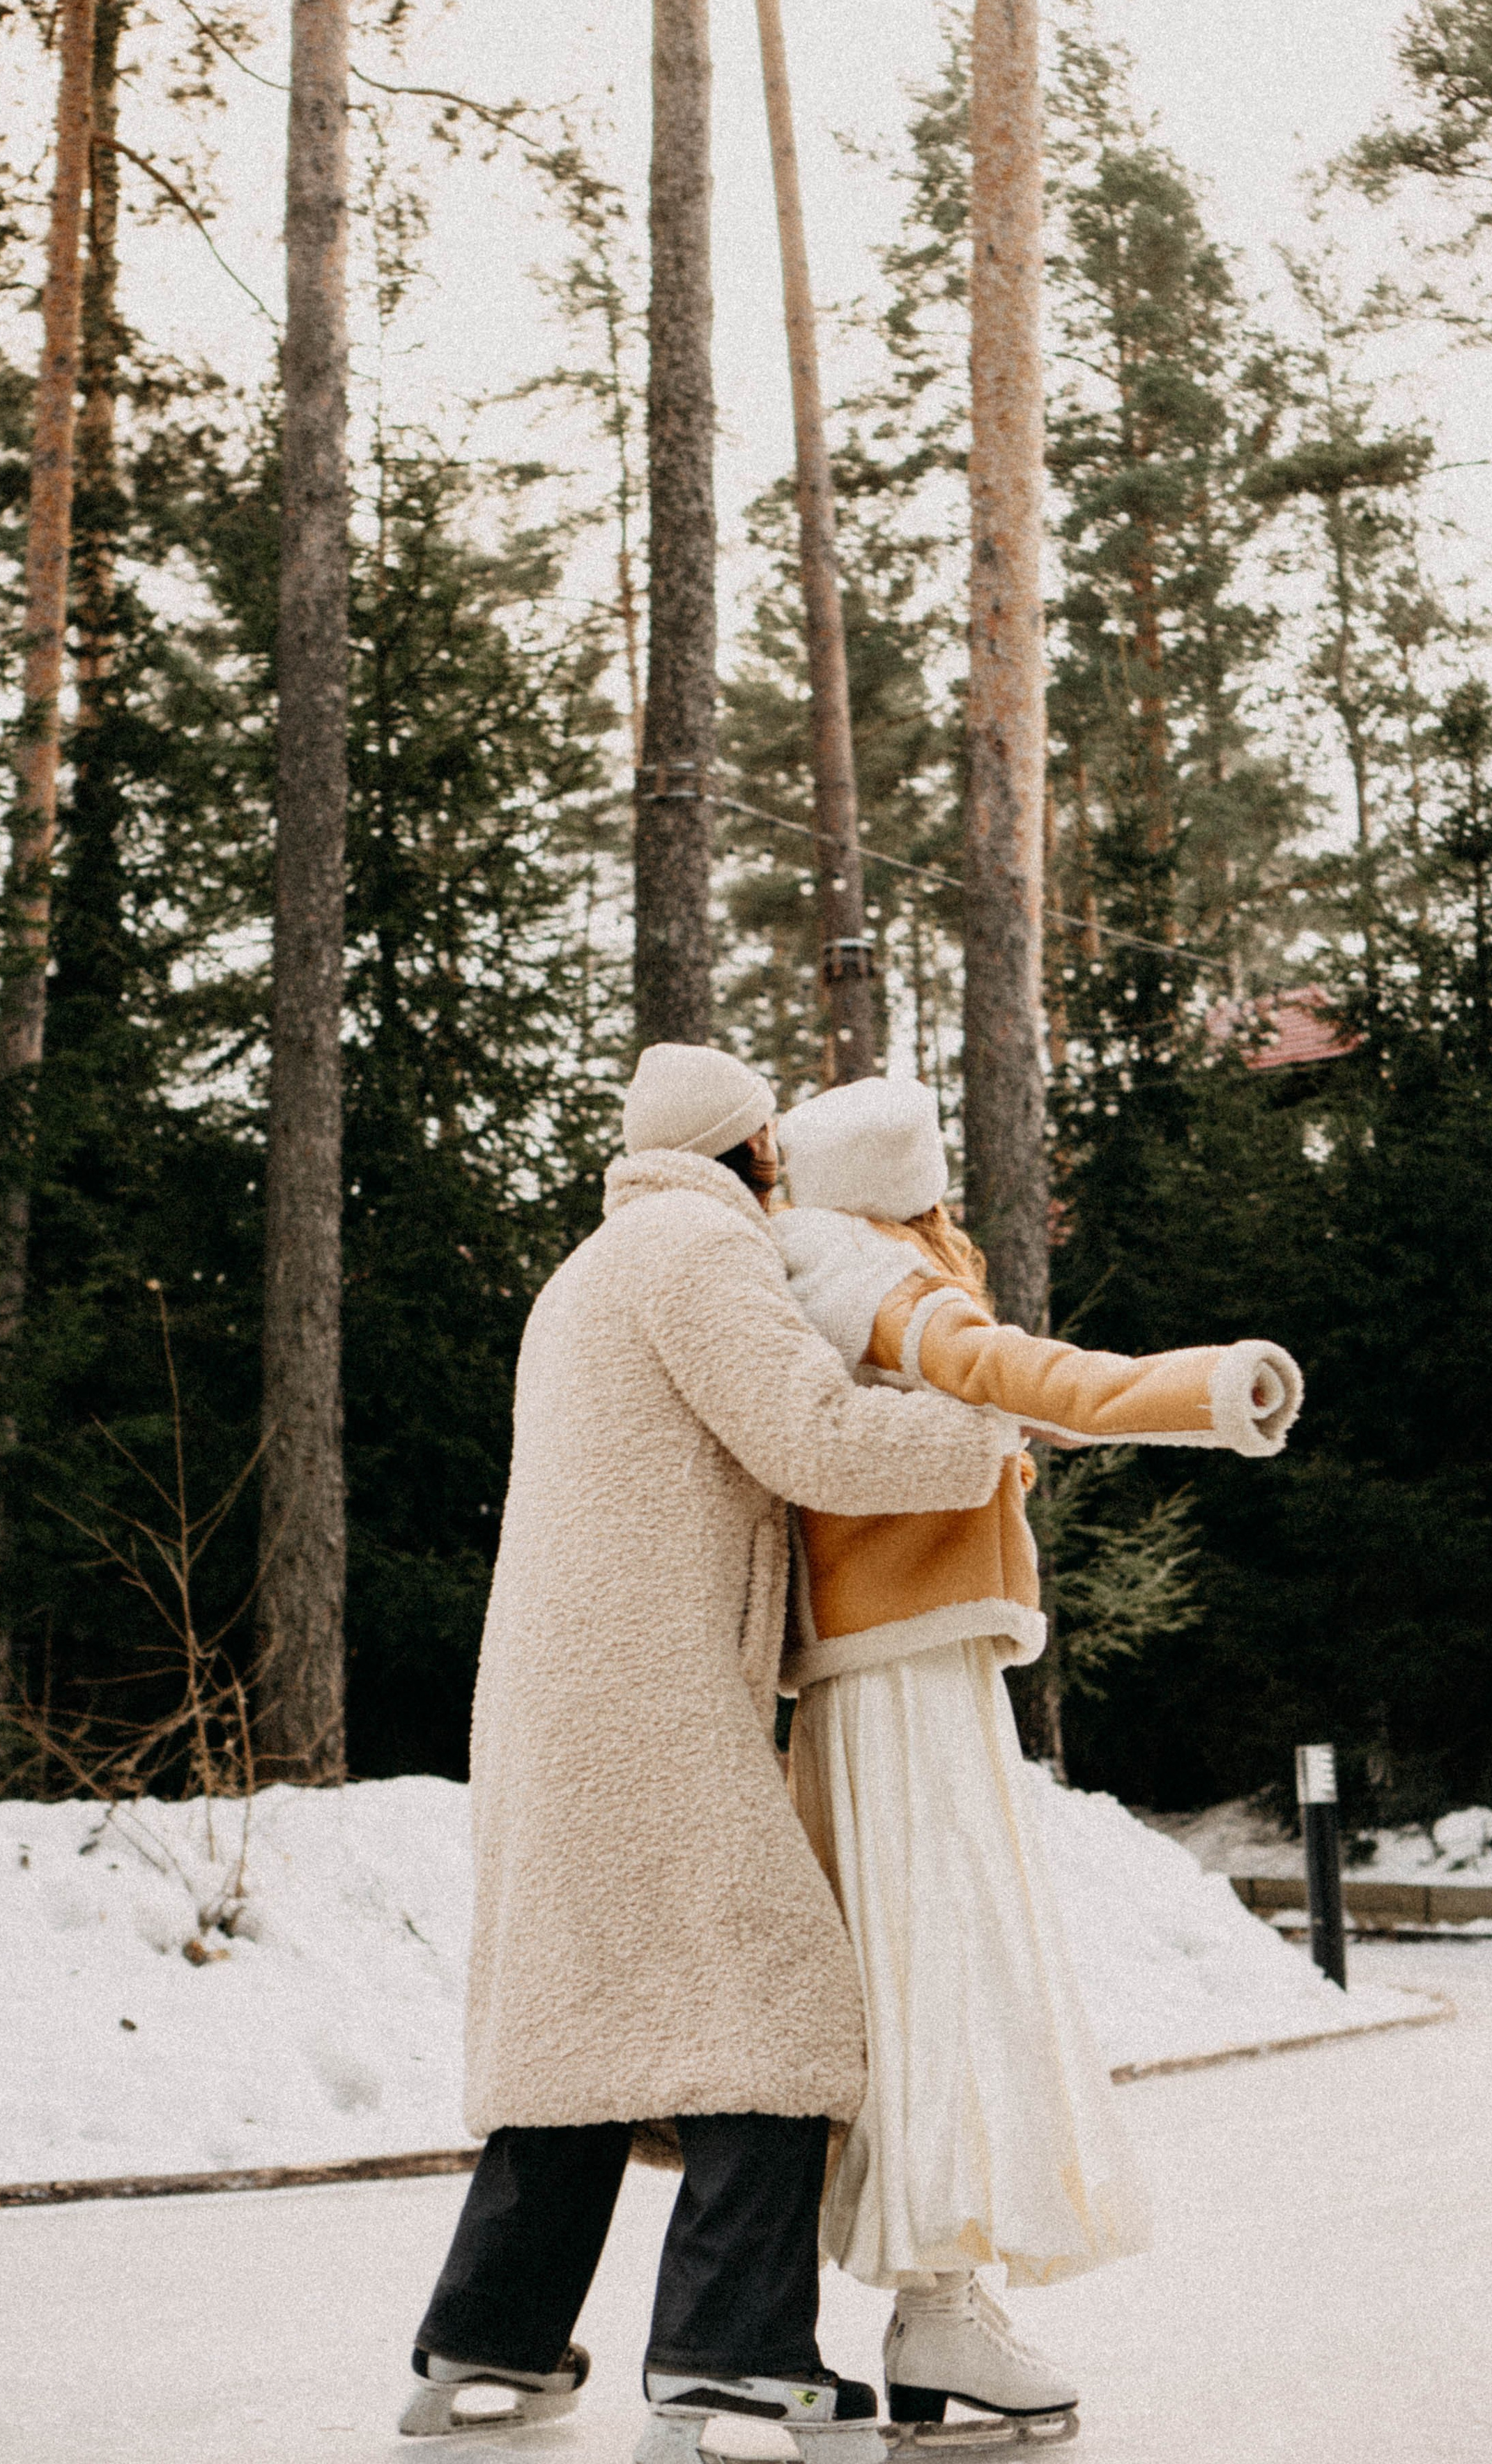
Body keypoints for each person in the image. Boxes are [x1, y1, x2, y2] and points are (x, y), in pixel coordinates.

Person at [400, 1045, 1023, 2463]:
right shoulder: (699, 1249)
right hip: (648, 1694)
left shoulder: (594, 1264)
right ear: (749, 1151)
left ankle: (482, 2336)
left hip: (558, 1696)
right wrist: (977, 1432)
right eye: (775, 1153)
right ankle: (727, 2358)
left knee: (590, 2024)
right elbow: (805, 1433)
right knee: (778, 2007)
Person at [770, 1073, 1303, 2443]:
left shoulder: (862, 1262)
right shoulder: (862, 1268)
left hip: (901, 1664)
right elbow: (1017, 1376)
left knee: (937, 1967)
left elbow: (1017, 1393)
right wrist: (1199, 1385)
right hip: (894, 1673)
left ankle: (936, 2305)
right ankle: (935, 2312)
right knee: (938, 1967)